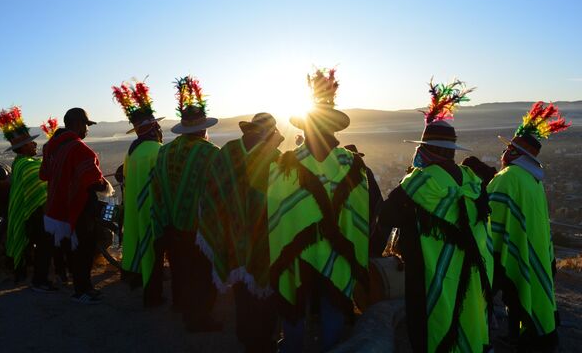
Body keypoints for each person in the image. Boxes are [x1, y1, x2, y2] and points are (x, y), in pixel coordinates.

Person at [378, 79, 493, 352]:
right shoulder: (472, 182)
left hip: (428, 272)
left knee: (429, 325)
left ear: (426, 150)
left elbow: (386, 217)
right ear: (452, 151)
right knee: (464, 317)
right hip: (470, 269)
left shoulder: (418, 183)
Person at [268, 68, 369, 352]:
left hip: (296, 257)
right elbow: (361, 216)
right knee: (333, 319)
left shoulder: (284, 164)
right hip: (338, 256)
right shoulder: (354, 165)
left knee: (296, 319)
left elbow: (278, 214)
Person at [197, 112, 284, 352]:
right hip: (264, 237)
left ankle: (245, 336)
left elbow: (212, 191)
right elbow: (280, 201)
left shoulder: (227, 152)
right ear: (270, 131)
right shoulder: (274, 156)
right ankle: (264, 341)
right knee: (265, 292)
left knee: (242, 292)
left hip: (232, 235)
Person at [488, 102, 570, 352]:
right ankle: (523, 336)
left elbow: (488, 216)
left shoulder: (508, 178)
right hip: (534, 251)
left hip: (515, 253)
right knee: (526, 294)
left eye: (508, 149)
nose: (504, 154)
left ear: (515, 154)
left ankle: (521, 340)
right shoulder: (533, 180)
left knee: (515, 292)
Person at [150, 75, 221, 331]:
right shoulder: (211, 153)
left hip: (170, 223)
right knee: (201, 273)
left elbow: (156, 186)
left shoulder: (164, 151)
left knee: (180, 267)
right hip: (198, 227)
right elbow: (220, 190)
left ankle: (180, 304)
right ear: (203, 129)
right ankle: (198, 317)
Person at [40, 107, 111, 304]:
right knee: (84, 249)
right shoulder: (80, 149)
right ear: (78, 124)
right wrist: (105, 185)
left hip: (58, 206)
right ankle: (83, 290)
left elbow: (44, 175)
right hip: (79, 207)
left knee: (71, 248)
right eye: (86, 125)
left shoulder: (50, 147)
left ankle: (77, 285)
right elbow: (93, 182)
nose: (87, 130)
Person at [112, 80, 164, 306]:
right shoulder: (157, 150)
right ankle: (152, 296)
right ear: (154, 128)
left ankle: (135, 275)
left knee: (137, 239)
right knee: (153, 249)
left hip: (134, 205)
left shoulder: (133, 149)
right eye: (157, 127)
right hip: (152, 209)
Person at [0, 107, 55, 291]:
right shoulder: (26, 165)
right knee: (44, 246)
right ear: (22, 147)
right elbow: (40, 185)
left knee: (40, 246)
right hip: (36, 213)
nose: (34, 145)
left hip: (33, 212)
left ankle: (31, 276)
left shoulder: (23, 163)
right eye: (30, 143)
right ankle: (39, 281)